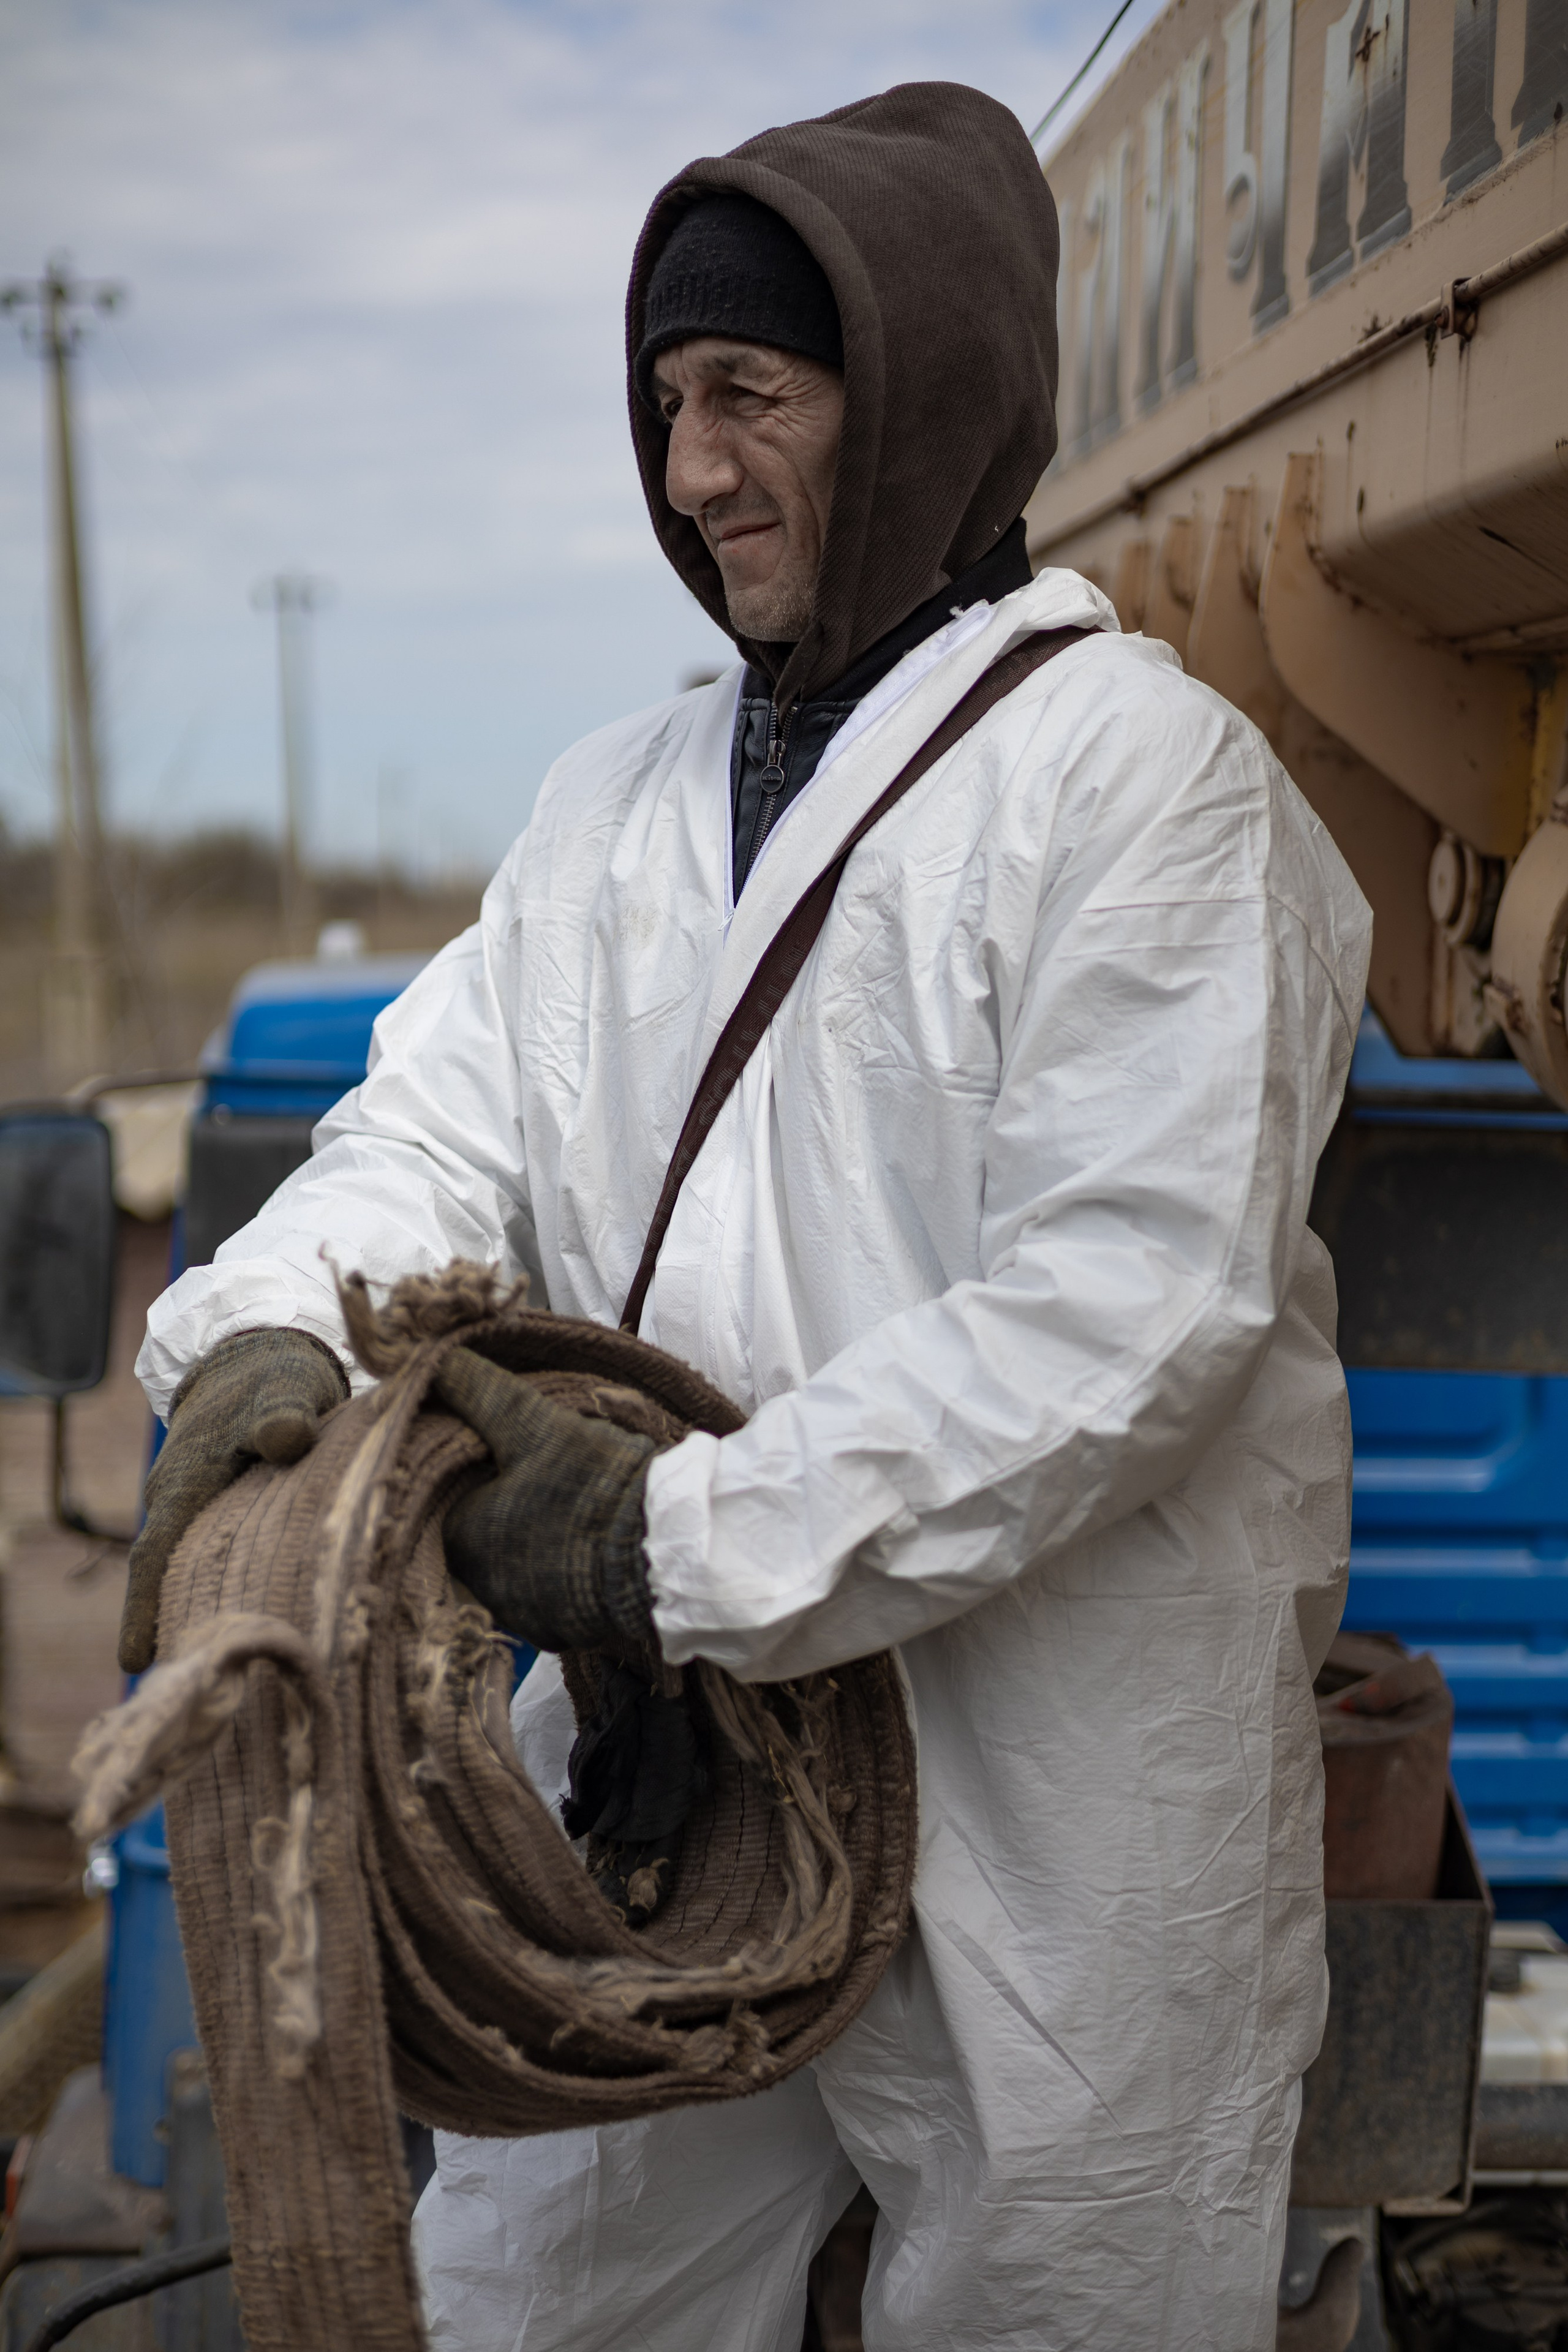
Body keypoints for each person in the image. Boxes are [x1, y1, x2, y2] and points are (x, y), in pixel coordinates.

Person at [131, 81, 1371, 2352]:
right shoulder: (609, 803)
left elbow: (1126, 1316)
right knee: (535, 2300)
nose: (695, 474)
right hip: (666, 1776)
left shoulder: (1150, 790)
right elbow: (436, 1132)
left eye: (753, 396)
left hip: (1056, 1804)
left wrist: (658, 1544)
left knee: (1065, 2311)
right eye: (670, 404)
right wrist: (270, 1330)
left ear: (921, 395)